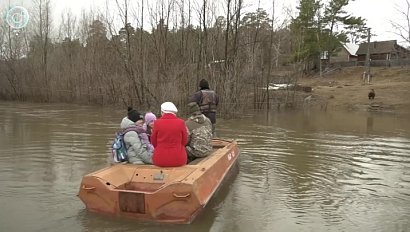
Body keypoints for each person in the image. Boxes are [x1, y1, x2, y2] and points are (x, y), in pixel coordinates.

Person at [151, 102, 188, 167]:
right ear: (174, 113)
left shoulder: (157, 123)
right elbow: (184, 141)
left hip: (160, 159)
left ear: (162, 112)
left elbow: (154, 142)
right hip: (178, 159)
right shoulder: (181, 123)